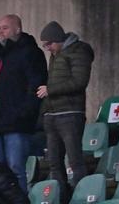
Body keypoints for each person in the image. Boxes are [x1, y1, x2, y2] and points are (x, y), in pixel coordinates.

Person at [0, 14, 47, 192]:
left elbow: (35, 85)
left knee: (16, 169)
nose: (1, 32)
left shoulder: (30, 53)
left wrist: (24, 113)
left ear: (17, 29)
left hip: (16, 124)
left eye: (5, 28)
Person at [37, 21, 94, 204]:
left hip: (70, 113)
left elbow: (79, 82)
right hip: (52, 115)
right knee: (54, 162)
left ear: (59, 39)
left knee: (75, 160)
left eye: (49, 44)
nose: (48, 49)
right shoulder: (56, 54)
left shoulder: (79, 51)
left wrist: (50, 90)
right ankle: (60, 198)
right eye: (45, 45)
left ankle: (80, 198)